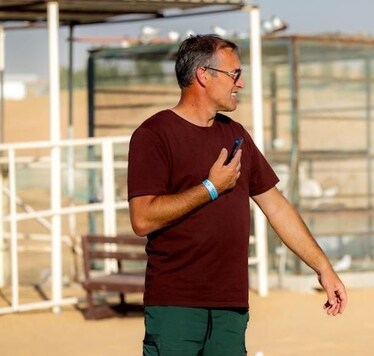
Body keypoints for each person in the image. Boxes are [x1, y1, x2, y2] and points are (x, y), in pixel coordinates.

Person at [127, 34, 347, 356]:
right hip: (176, 306)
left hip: (231, 308)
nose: (240, 84)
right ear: (203, 75)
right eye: (234, 74)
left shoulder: (236, 135)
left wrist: (323, 268)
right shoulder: (154, 135)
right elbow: (142, 218)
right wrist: (210, 188)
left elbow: (277, 207)